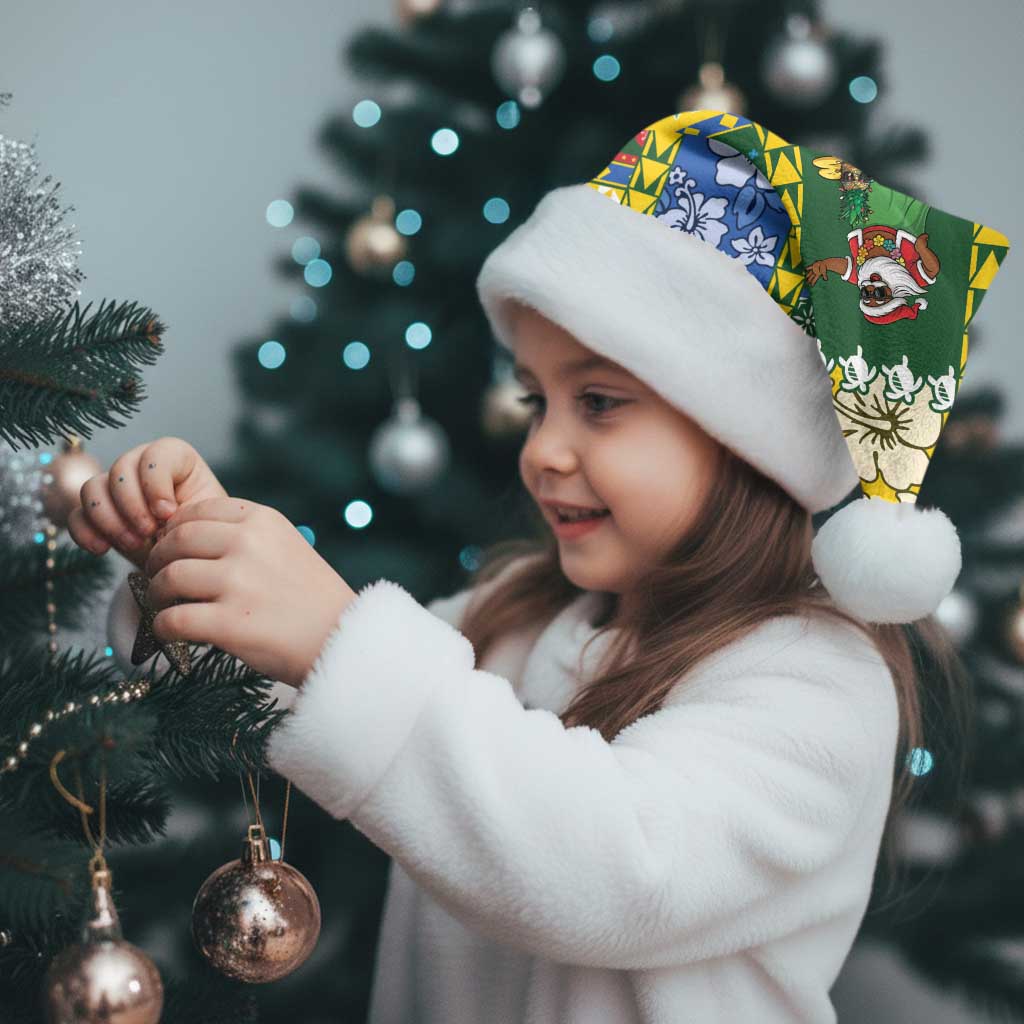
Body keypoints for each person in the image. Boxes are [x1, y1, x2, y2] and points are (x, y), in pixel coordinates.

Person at [72, 109, 1010, 1023]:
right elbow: (303, 691)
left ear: (746, 438)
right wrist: (193, 563)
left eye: (598, 402)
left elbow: (617, 872)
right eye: (535, 401)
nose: (542, 451)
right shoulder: (516, 616)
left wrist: (334, 638)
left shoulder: (818, 682)